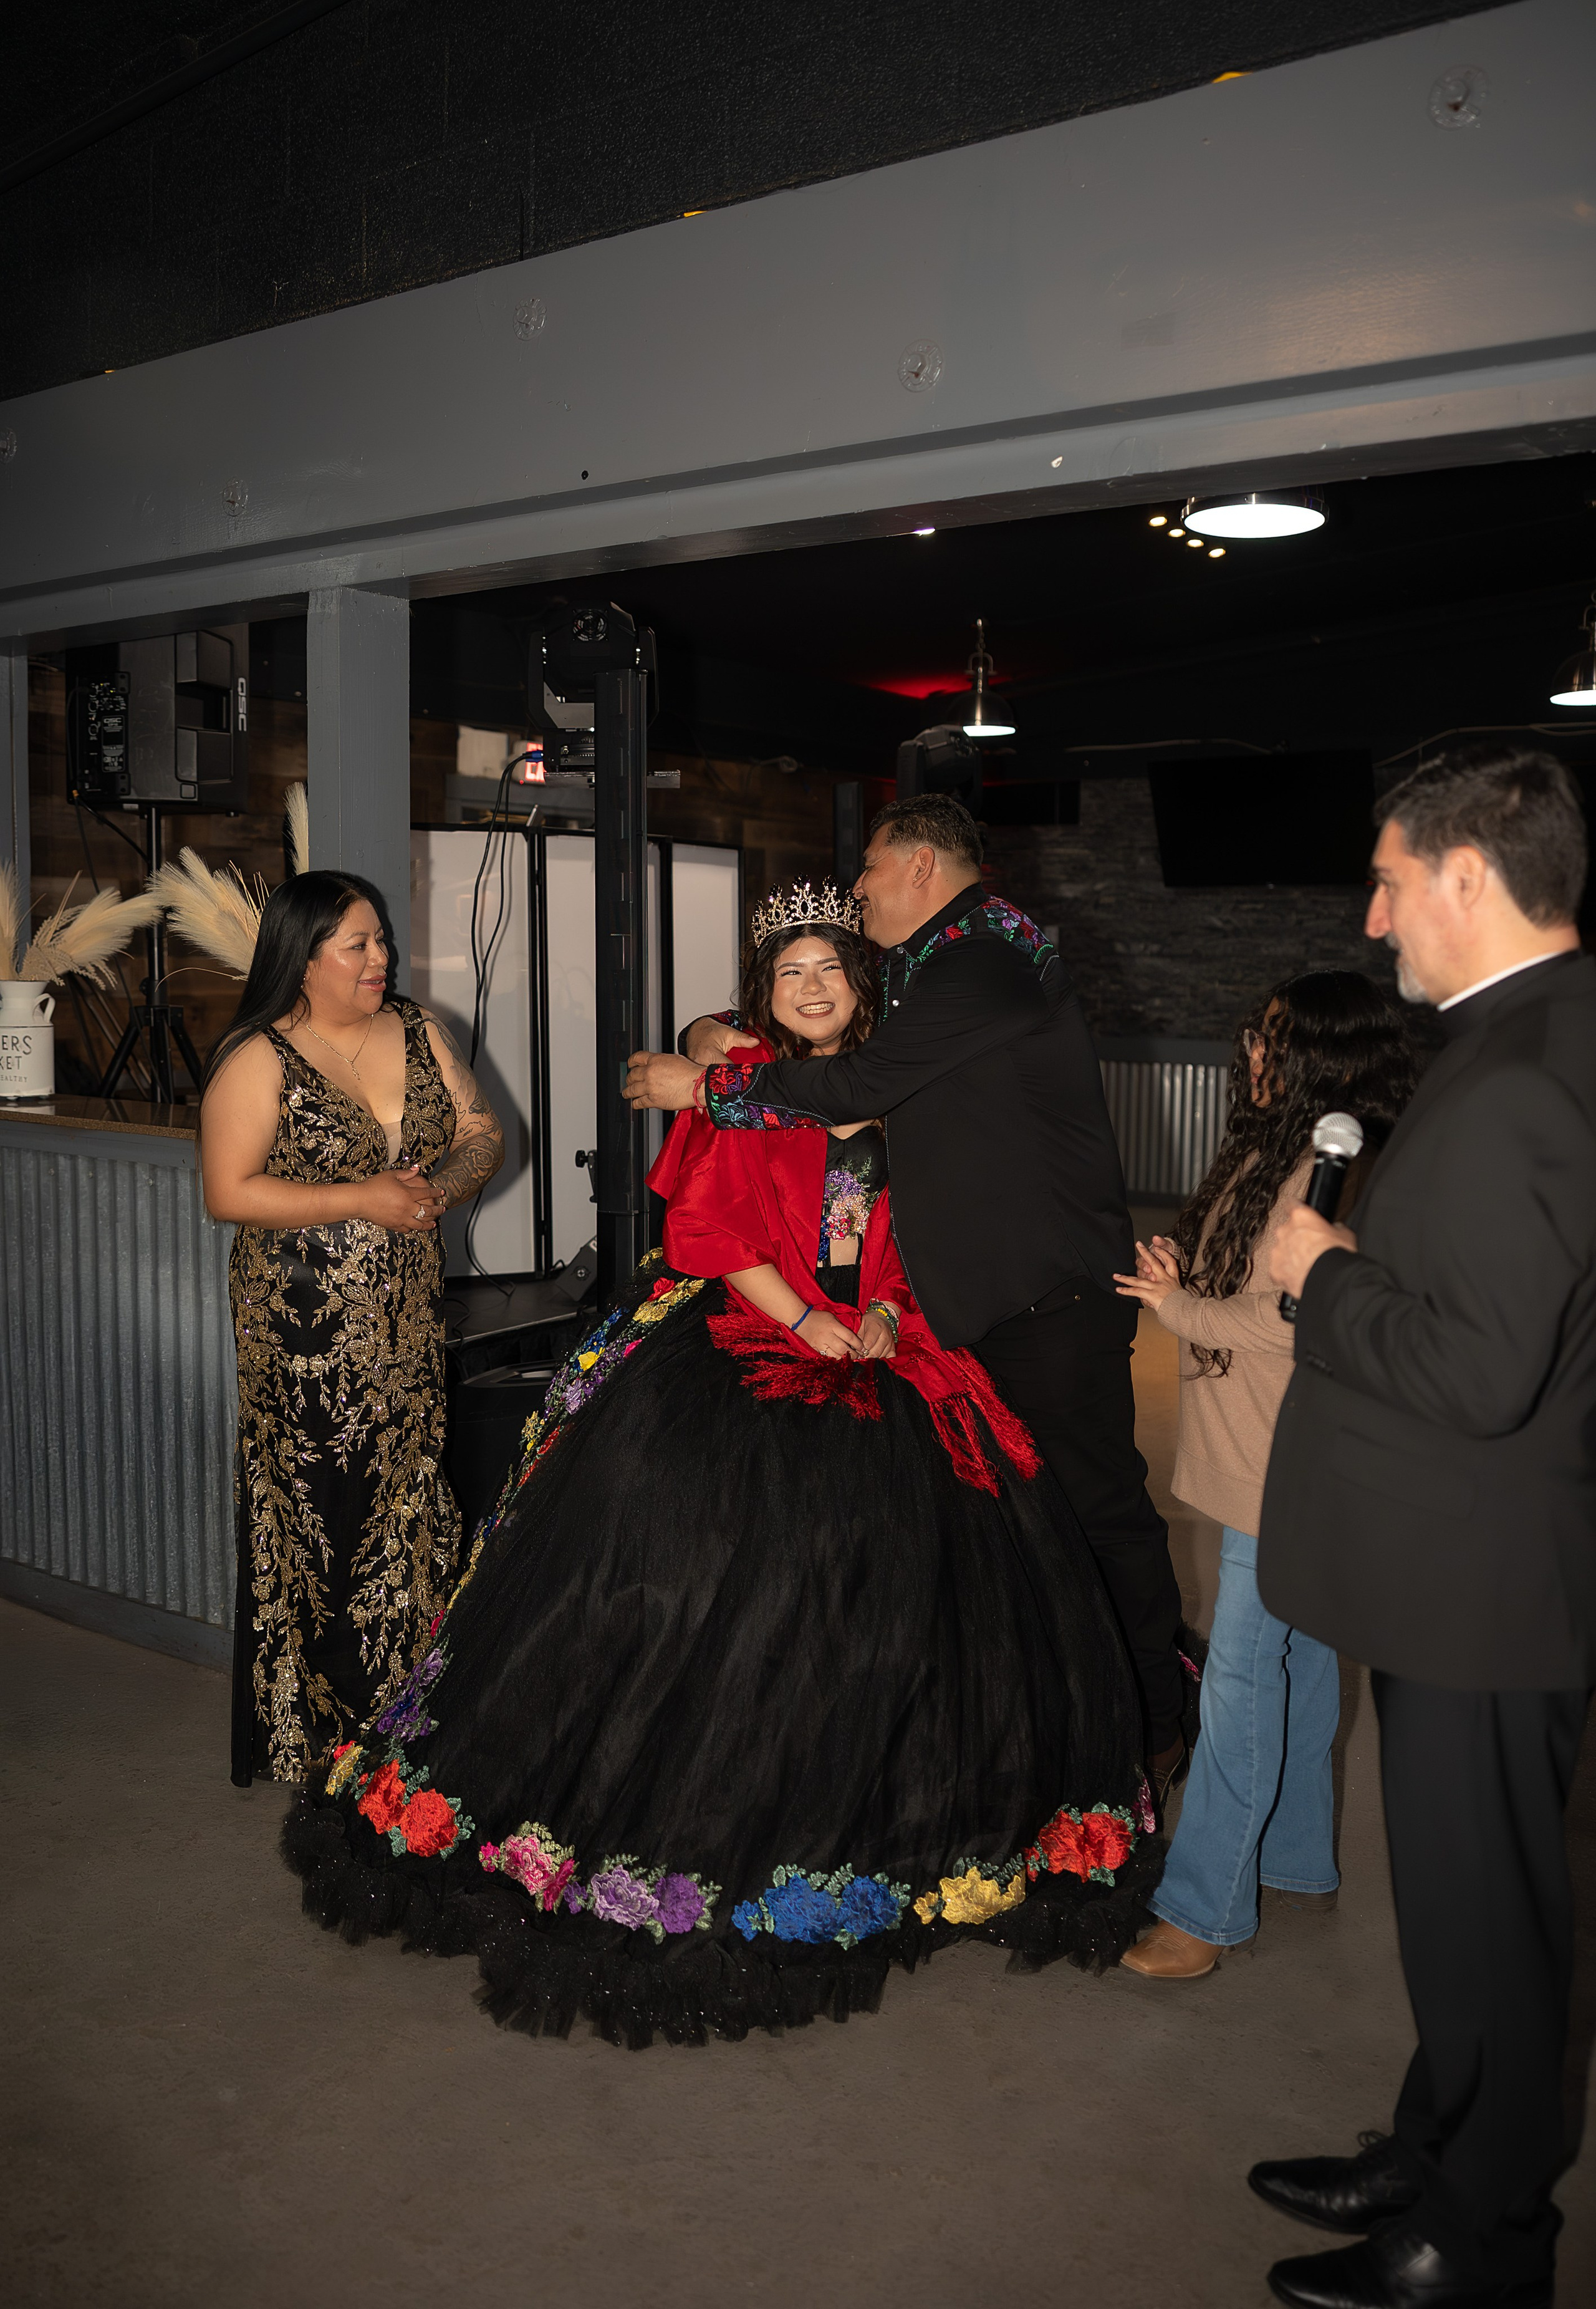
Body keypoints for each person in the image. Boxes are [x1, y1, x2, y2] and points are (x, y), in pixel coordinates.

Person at [282, 882, 1157, 2050]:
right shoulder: (743, 1087)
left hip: (897, 1346)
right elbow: (715, 1239)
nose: (809, 989)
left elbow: (935, 1231)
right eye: (788, 972)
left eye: (829, 970)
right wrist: (807, 1322)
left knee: (914, 1591)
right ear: (762, 991)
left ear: (866, 983)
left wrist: (891, 1317)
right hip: (754, 1338)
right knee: (717, 1578)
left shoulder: (913, 1088)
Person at [623, 795, 1192, 1796]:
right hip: (963, 1302)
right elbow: (794, 995)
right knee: (1007, 1528)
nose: (857, 893)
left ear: (921, 865)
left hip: (1042, 1297)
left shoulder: (982, 963)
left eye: (870, 871)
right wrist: (711, 1029)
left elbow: (861, 1082)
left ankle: (1151, 1717)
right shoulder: (942, 958)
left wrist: (703, 1090)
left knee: (1095, 1513)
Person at [1249, 746, 1595, 2309]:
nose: (1371, 917)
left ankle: (1487, 2236)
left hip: (1486, 1584)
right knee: (1457, 1911)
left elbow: (1474, 1365)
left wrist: (1317, 1272)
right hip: (1471, 1568)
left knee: (1493, 1923)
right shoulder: (1520, 1031)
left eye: (1389, 880)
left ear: (1470, 873)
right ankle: (1433, 2139)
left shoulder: (1525, 1071)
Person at [1112, 973, 1415, 1980]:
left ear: (1329, 1057)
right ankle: (1290, 1858)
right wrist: (1182, 1275)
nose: (1251, 1054)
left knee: (1242, 1680)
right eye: (1254, 1035)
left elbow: (1295, 1318)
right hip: (1266, 1444)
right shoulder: (1280, 1145)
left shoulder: (1340, 1169)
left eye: (1270, 1041)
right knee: (1303, 1660)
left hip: (1292, 1456)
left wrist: (1178, 1313)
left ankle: (1204, 1913)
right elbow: (1251, 1277)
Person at [201, 871, 504, 1786]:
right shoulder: (258, 1054)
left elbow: (482, 1131)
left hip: (406, 1316)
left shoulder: (417, 1028)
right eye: (358, 946)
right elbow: (230, 1192)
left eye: (382, 942)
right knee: (319, 1510)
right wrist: (365, 1198)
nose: (381, 960)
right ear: (303, 959)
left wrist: (438, 1191)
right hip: (299, 1327)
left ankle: (403, 1718)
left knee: (406, 1499)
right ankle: (314, 1735)